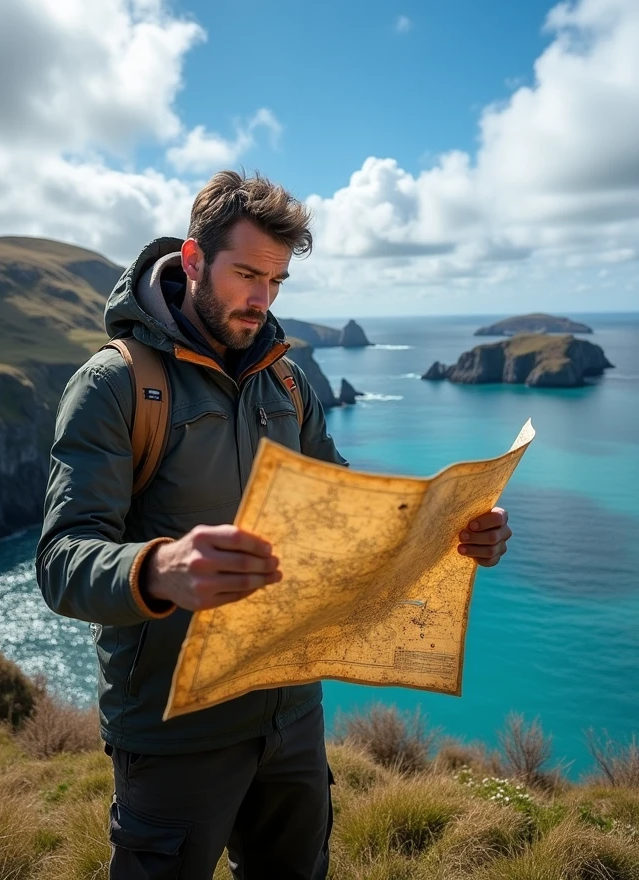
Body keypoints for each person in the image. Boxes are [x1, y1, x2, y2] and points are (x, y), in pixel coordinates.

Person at [36, 170, 512, 880]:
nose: (262, 299)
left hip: (293, 719)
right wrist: (159, 569)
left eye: (279, 281)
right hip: (173, 736)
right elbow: (62, 560)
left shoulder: (287, 381)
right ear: (194, 261)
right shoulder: (115, 384)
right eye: (248, 275)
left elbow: (352, 517)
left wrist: (453, 532)